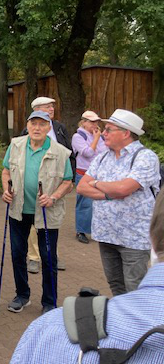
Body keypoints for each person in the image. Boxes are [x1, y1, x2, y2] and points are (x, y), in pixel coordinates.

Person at [10, 191, 164, 364]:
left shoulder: (52, 330)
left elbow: (74, 183)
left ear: (151, 237)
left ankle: (48, 301)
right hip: (23, 215)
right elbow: (83, 186)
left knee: (49, 260)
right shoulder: (53, 328)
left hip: (48, 216)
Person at [77, 109, 160, 296]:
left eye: (108, 129)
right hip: (106, 233)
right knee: (116, 286)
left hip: (133, 238)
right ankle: (121, 323)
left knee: (134, 289)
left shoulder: (145, 157)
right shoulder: (102, 157)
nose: (102, 133)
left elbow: (124, 188)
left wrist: (97, 183)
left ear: (126, 133)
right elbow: (82, 187)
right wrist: (110, 193)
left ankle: (139, 325)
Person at [2, 110, 73, 314]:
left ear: (49, 127)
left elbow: (68, 181)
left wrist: (53, 197)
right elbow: (6, 170)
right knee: (17, 254)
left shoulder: (60, 152)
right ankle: (22, 295)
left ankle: (49, 302)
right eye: (34, 123)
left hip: (46, 212)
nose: (37, 128)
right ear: (27, 125)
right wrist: (8, 189)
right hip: (19, 209)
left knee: (48, 257)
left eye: (42, 124)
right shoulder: (16, 145)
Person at [22, 96, 74, 273]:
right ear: (36, 110)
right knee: (34, 223)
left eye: (52, 107)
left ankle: (53, 255)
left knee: (53, 222)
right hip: (34, 185)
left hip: (57, 183)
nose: (52, 110)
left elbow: (69, 153)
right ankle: (34, 257)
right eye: (47, 107)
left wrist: (70, 179)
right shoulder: (26, 131)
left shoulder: (59, 128)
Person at [71, 111, 107, 244]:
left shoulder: (101, 136)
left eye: (96, 122)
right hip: (84, 173)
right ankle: (81, 230)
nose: (95, 124)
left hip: (100, 173)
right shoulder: (78, 136)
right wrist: (97, 139)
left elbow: (106, 152)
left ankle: (98, 229)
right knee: (85, 203)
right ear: (84, 122)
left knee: (100, 201)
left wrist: (99, 138)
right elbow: (87, 153)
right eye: (92, 122)